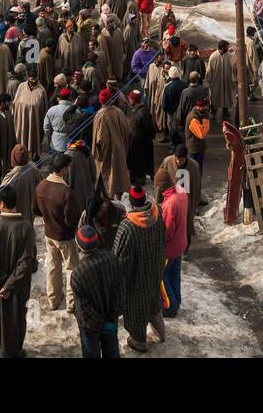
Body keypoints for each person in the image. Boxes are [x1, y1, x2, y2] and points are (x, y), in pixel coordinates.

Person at [0, 186, 38, 357]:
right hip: (17, 285)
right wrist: (10, 284)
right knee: (15, 315)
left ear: (1, 204)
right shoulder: (26, 227)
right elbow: (26, 262)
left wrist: (2, 281)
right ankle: (11, 349)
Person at [113, 185, 167, 352]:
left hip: (137, 279)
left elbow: (119, 258)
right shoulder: (157, 212)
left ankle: (139, 342)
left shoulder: (128, 226)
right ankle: (161, 333)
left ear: (130, 202)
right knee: (153, 302)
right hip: (155, 270)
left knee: (137, 310)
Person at [35, 152, 82, 313]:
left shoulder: (41, 186)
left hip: (49, 233)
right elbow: (72, 219)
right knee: (71, 269)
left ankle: (53, 299)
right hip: (65, 236)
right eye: (68, 167)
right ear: (62, 169)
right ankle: (71, 302)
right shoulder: (66, 192)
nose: (69, 169)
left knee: (53, 266)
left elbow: (36, 210)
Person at [70, 224, 123, 358]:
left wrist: (99, 324)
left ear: (79, 247)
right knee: (111, 350)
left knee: (91, 353)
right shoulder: (112, 259)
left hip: (90, 327)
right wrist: (110, 318)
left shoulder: (78, 273)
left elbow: (83, 309)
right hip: (110, 318)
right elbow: (119, 290)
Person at [157, 167, 188, 318]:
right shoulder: (181, 192)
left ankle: (169, 307)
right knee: (175, 274)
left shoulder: (170, 204)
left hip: (169, 248)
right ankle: (177, 299)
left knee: (162, 277)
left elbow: (167, 231)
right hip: (180, 243)